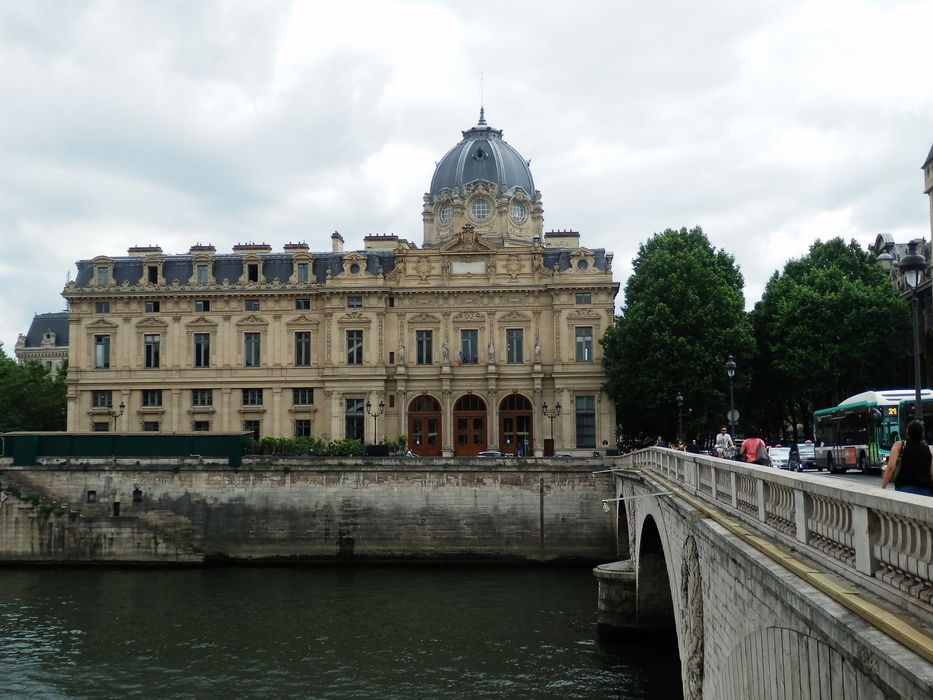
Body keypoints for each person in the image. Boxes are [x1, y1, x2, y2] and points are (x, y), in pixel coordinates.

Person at [881, 419, 933, 496]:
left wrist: (883, 488)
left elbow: (890, 467)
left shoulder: (899, 446)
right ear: (922, 434)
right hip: (925, 491)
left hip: (904, 489)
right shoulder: (929, 450)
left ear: (908, 433)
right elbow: (932, 474)